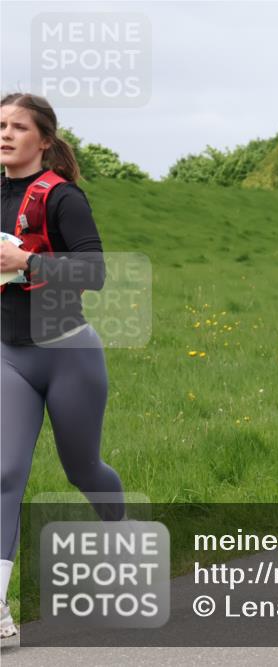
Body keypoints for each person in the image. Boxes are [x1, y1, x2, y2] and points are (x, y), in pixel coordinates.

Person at [0, 93, 126, 638]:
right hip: (8, 354)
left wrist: (27, 261)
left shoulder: (62, 198)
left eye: (18, 126)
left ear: (44, 140)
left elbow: (95, 273)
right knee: (4, 472)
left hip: (69, 352)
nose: (5, 134)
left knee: (83, 471)